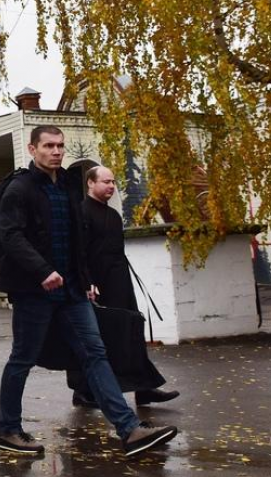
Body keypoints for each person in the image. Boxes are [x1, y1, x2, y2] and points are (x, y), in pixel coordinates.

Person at [0, 126, 177, 457]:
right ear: (33, 149)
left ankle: (128, 429)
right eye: (48, 145)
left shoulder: (66, 186)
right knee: (23, 358)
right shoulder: (18, 189)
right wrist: (42, 270)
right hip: (34, 291)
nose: (56, 151)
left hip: (72, 292)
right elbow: (11, 237)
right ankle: (8, 429)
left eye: (60, 146)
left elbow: (77, 239)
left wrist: (85, 278)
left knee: (95, 353)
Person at [70, 166, 179, 408]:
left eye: (113, 182)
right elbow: (79, 253)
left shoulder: (114, 215)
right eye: (105, 182)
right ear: (90, 183)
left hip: (120, 282)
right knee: (97, 340)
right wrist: (87, 281)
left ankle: (144, 389)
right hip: (96, 287)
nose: (111, 186)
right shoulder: (81, 213)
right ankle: (83, 391)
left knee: (131, 332)